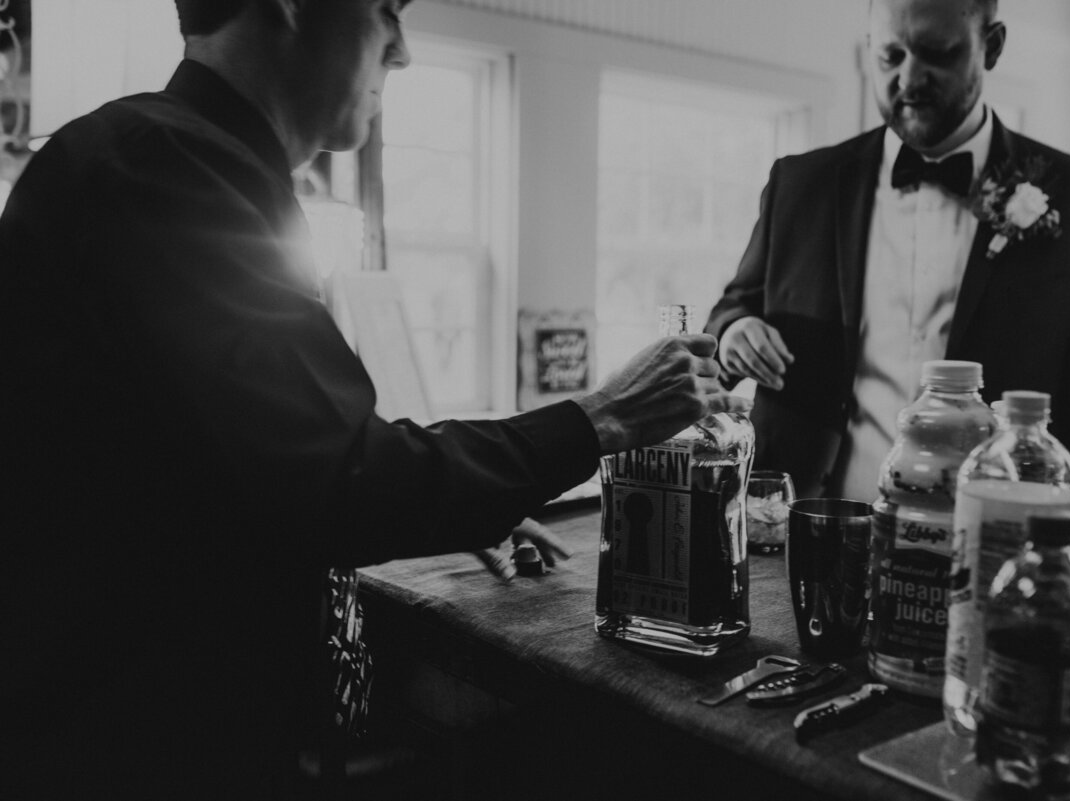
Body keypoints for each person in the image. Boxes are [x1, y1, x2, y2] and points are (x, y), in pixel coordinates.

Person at [0, 0, 750, 798]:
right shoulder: (161, 165)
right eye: (387, 10)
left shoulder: (183, 163)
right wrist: (604, 416)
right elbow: (335, 479)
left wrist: (468, 499)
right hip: (128, 751)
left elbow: (262, 460)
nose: (401, 50)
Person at [705, 0, 1070, 502]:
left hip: (991, 535)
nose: (909, 79)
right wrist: (735, 330)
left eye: (937, 53)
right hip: (805, 523)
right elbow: (731, 308)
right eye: (891, 55)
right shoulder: (802, 184)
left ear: (991, 47)